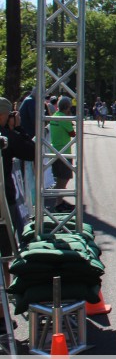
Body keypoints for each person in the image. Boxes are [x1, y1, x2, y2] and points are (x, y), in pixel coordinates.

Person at [0, 98, 34, 251]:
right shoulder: (6, 137)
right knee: (5, 247)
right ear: (3, 115)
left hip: (5, 195)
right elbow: (32, 152)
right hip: (4, 198)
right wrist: (19, 128)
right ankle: (6, 267)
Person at [49, 96, 76, 212]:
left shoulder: (54, 116)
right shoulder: (64, 118)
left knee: (60, 178)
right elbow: (72, 133)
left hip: (55, 150)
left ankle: (59, 201)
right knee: (64, 178)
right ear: (67, 107)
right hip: (64, 152)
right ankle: (58, 202)